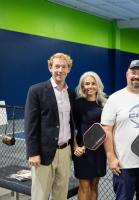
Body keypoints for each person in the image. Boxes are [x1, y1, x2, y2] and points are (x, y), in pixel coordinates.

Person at [101, 60, 139, 200]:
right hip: (124, 164)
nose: (136, 76)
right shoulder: (114, 99)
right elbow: (106, 130)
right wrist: (111, 157)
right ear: (127, 74)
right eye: (133, 72)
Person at [24, 52, 75, 200]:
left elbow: (70, 123)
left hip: (65, 152)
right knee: (40, 195)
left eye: (63, 67)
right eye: (56, 66)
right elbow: (30, 124)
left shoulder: (70, 94)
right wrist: (33, 152)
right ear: (50, 68)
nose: (60, 70)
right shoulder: (36, 91)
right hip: (43, 152)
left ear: (68, 69)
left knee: (61, 195)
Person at [73, 71, 107, 200]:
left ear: (98, 85)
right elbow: (71, 129)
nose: (90, 86)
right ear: (82, 86)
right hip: (83, 152)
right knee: (84, 186)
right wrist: (76, 146)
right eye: (87, 84)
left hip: (99, 151)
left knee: (94, 184)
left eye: (93, 83)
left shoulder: (105, 103)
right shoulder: (77, 105)